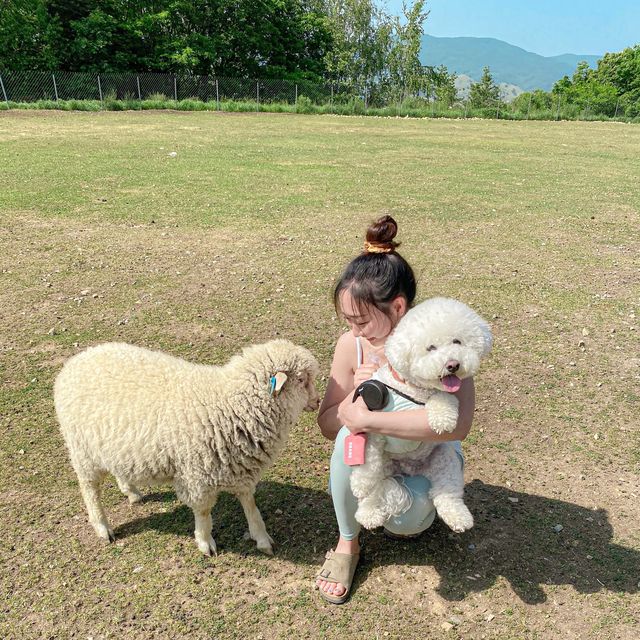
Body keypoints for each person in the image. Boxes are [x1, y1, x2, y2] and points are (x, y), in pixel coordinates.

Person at [315, 215, 476, 605]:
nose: (355, 331)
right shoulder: (350, 346)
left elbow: (456, 427)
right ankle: (347, 543)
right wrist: (356, 391)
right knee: (343, 438)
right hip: (377, 456)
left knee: (406, 525)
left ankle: (406, 504)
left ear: (398, 307)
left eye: (361, 320)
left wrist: (370, 418)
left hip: (428, 457)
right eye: (348, 321)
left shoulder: (442, 342)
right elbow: (325, 422)